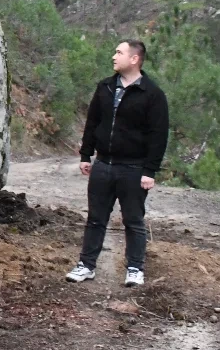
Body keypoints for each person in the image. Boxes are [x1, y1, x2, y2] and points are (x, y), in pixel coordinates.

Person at [65, 40, 169, 288]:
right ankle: (86, 265)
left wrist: (149, 171)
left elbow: (159, 135)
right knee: (95, 219)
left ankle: (135, 268)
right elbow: (92, 123)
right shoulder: (105, 87)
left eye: (119, 52)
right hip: (103, 165)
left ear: (134, 59)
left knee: (133, 220)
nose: (114, 56)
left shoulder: (152, 94)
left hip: (133, 169)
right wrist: (85, 155)